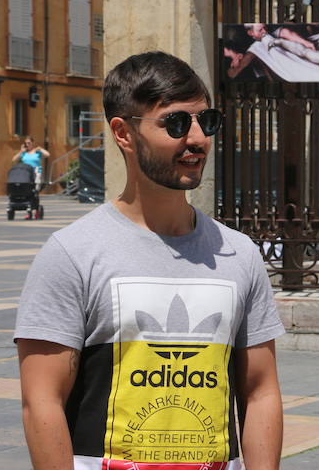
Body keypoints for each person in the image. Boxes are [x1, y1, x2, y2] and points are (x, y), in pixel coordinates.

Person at [14, 51, 285, 470]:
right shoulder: (73, 253)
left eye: (206, 121)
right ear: (123, 133)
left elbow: (260, 391)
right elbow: (41, 402)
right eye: (176, 123)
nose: (197, 138)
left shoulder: (240, 253)